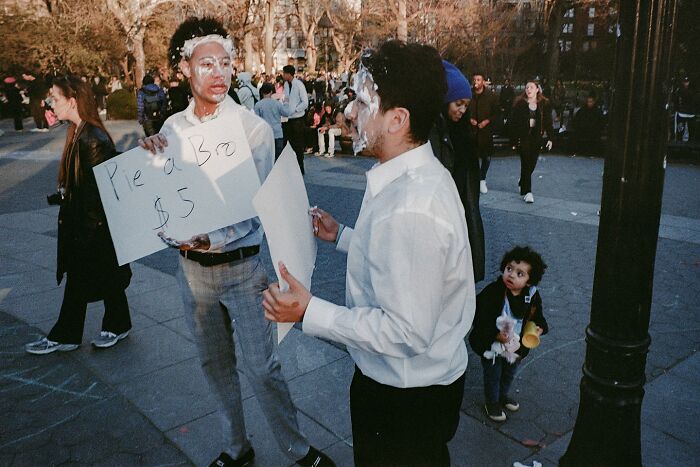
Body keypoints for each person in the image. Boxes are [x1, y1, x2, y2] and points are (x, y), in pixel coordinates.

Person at [262, 40, 475, 466]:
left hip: (404, 397)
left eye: (362, 102)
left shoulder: (412, 206)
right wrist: (343, 236)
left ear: (398, 119)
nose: (349, 113)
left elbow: (406, 332)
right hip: (410, 387)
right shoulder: (410, 177)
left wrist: (310, 312)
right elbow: (403, 264)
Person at [139, 17, 334, 467]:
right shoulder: (172, 127)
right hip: (191, 274)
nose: (219, 73)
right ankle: (236, 448)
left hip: (242, 269)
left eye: (226, 63)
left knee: (263, 369)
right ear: (184, 69)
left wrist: (214, 236)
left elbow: (256, 204)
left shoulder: (253, 129)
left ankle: (299, 450)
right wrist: (149, 167)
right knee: (215, 366)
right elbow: (165, 197)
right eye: (207, 63)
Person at [25, 75, 132, 355]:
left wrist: (84, 235)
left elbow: (96, 196)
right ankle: (117, 324)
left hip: (94, 227)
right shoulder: (79, 133)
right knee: (106, 278)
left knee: (81, 280)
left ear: (72, 101)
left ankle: (67, 335)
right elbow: (85, 187)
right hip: (92, 225)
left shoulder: (91, 139)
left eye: (55, 98)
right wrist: (63, 196)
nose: (50, 103)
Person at [468, 246, 548, 422]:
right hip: (494, 347)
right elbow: (479, 316)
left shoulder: (532, 296)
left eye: (520, 274)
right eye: (509, 269)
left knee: (509, 373)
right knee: (493, 374)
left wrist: (539, 327)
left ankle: (502, 396)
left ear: (529, 281)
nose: (511, 275)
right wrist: (495, 334)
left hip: (515, 347)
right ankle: (492, 402)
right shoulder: (493, 292)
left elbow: (537, 316)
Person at [430, 60, 485, 283]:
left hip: (463, 204)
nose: (462, 110)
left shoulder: (462, 131)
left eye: (465, 105)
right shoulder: (436, 130)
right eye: (458, 104)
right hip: (447, 207)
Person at [510, 80, 554, 204]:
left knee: (532, 164)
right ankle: (527, 192)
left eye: (531, 87)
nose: (528, 89)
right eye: (527, 87)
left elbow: (548, 122)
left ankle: (522, 181)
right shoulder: (520, 104)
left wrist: (550, 138)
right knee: (525, 162)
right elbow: (514, 123)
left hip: (536, 138)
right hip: (523, 138)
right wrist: (513, 140)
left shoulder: (543, 104)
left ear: (537, 89)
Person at [469, 72, 499, 194]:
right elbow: (463, 109)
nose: (476, 82)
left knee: (486, 157)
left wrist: (487, 121)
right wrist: (469, 119)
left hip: (485, 131)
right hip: (472, 131)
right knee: (472, 157)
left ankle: (482, 179)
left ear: (483, 81)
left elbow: (497, 113)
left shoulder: (491, 96)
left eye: (478, 79)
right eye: (474, 79)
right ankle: (474, 180)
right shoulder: (469, 94)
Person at [282, 64, 309, 174]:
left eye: (284, 73)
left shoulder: (299, 85)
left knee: (298, 143)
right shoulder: (286, 84)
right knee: (286, 142)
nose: (283, 75)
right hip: (288, 118)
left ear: (289, 74)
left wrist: (296, 109)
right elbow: (287, 98)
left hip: (298, 118)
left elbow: (305, 102)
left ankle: (300, 165)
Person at [255, 81, 291, 159]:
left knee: (267, 159)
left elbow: (256, 121)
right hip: (277, 133)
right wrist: (286, 103)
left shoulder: (258, 105)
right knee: (278, 158)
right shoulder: (277, 103)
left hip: (265, 135)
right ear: (271, 92)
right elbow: (286, 113)